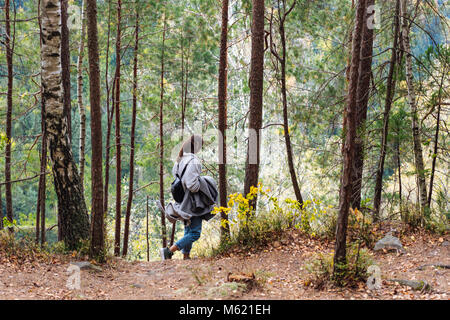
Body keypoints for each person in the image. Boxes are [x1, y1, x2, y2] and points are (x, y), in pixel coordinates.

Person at [158, 134, 217, 260]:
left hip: (183, 199)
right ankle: (169, 251)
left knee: (188, 227)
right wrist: (202, 183)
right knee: (195, 233)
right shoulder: (194, 161)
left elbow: (178, 178)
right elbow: (192, 185)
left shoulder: (180, 159)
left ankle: (186, 256)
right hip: (193, 201)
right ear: (197, 147)